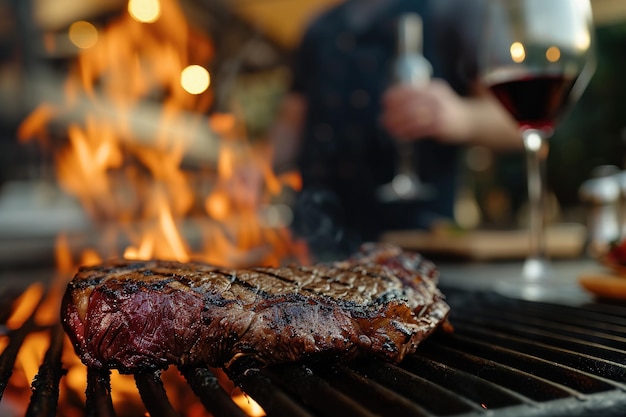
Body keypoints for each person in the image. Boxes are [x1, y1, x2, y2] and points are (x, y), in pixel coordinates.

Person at [265, 0, 522, 259]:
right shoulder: (319, 25)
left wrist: (463, 117)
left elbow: (518, 122)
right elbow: (291, 120)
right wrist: (255, 169)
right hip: (316, 239)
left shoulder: (460, 8)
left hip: (418, 246)